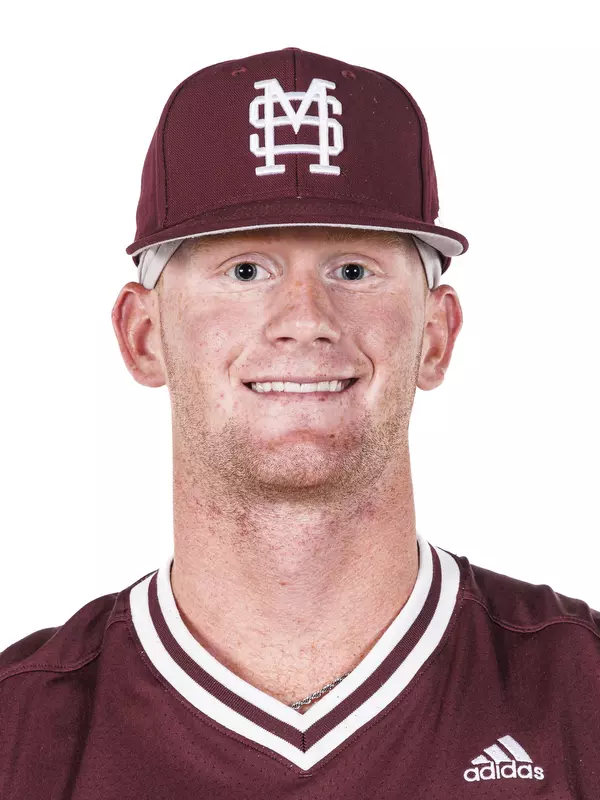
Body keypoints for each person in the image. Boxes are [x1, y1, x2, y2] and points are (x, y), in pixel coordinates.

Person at [1, 47, 598, 798]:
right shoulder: (19, 733)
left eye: (353, 270)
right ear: (144, 335)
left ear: (435, 336)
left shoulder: (582, 695)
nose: (305, 319)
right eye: (245, 270)